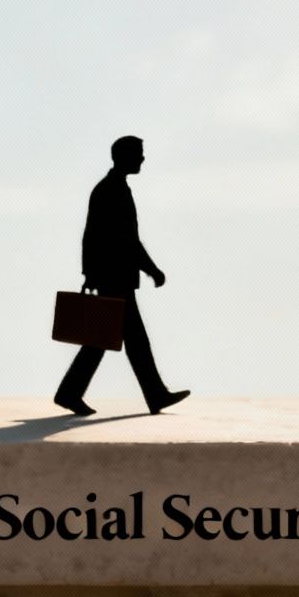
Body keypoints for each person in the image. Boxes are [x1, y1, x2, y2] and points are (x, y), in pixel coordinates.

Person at [54, 135, 190, 416]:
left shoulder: (113, 188)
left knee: (109, 339)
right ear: (124, 156)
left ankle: (74, 392)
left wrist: (92, 271)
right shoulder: (111, 190)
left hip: (113, 276)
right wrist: (151, 269)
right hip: (114, 277)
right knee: (117, 339)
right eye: (138, 154)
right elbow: (122, 239)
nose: (142, 159)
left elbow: (101, 237)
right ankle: (153, 394)